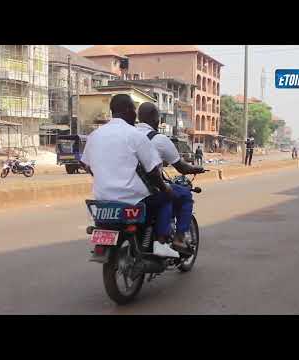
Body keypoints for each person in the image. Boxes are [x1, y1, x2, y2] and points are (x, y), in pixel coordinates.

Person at [80, 94, 179, 258]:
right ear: (127, 110)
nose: (136, 115)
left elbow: (85, 164)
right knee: (166, 197)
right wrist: (164, 188)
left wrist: (104, 175)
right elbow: (153, 171)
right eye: (134, 109)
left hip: (102, 199)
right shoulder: (135, 135)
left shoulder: (94, 135)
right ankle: (160, 243)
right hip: (132, 200)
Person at [136, 102, 206, 255]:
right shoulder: (159, 139)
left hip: (124, 191)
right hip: (146, 190)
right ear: (156, 119)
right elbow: (181, 168)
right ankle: (178, 237)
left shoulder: (129, 135)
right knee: (180, 194)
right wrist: (197, 169)